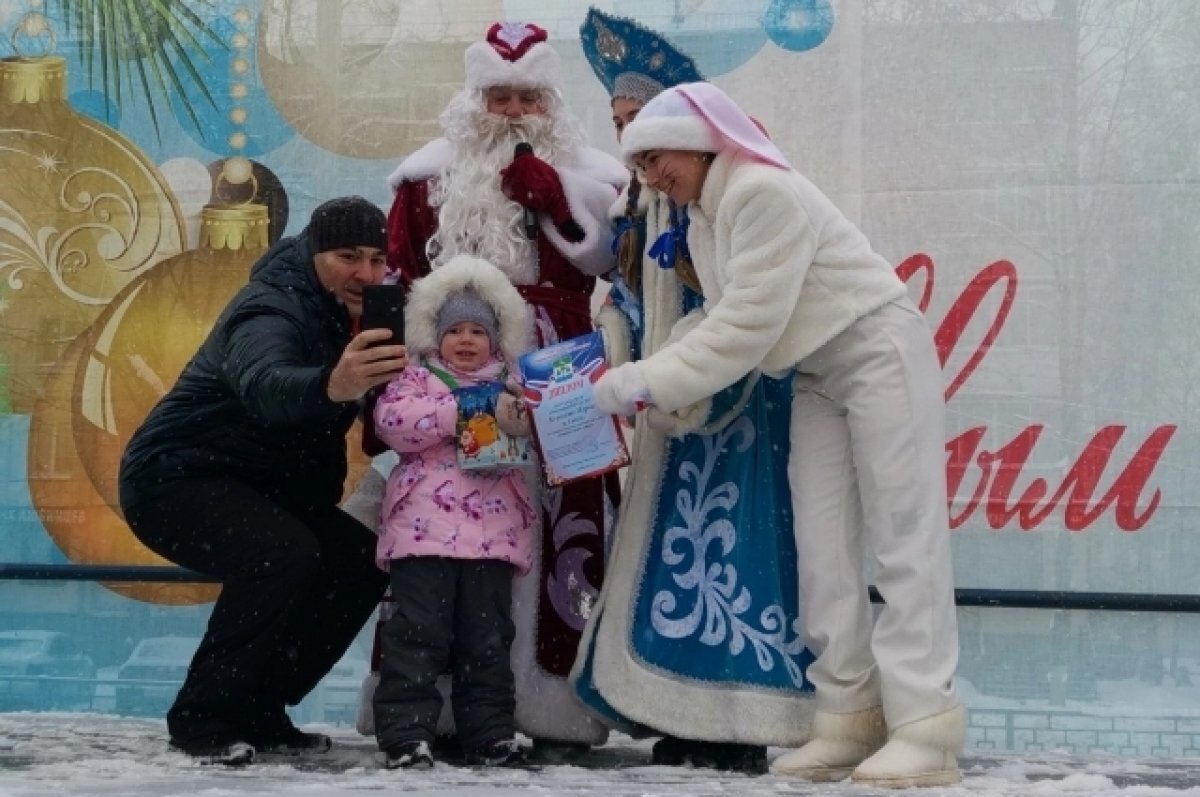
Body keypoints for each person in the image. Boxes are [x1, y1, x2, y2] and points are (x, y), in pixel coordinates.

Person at [593, 83, 966, 789]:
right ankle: (847, 714)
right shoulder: (704, 214)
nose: (649, 176)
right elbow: (725, 316)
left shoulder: (760, 191)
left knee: (903, 536)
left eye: (655, 156)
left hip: (877, 347)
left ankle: (925, 725)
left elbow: (744, 329)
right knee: (821, 548)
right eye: (637, 165)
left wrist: (639, 381)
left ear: (699, 139)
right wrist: (631, 375)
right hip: (817, 371)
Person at [376, 20, 628, 760]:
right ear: (471, 98)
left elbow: (620, 261)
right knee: (444, 544)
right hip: (454, 374)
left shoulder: (596, 180)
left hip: (560, 366)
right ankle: (440, 710)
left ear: (550, 101)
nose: (513, 111)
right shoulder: (424, 179)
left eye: (528, 96)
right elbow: (398, 277)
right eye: (498, 96)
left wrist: (558, 204)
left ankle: (551, 707)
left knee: (562, 529)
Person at [572, 8, 814, 774]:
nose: (628, 133)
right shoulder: (640, 198)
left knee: (735, 551)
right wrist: (617, 335)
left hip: (731, 398)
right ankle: (677, 711)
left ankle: (738, 719)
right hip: (661, 400)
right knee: (672, 559)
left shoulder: (728, 191)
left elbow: (736, 303)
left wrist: (667, 371)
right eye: (617, 119)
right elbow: (623, 287)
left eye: (639, 115)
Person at [118, 197, 400, 766]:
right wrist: (331, 386)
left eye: (375, 259)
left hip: (259, 488)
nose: (365, 274)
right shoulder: (271, 307)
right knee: (280, 554)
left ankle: (260, 707)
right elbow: (265, 382)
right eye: (348, 256)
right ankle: (204, 719)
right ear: (314, 252)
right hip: (174, 477)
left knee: (359, 560)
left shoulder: (357, 312)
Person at [372, 254, 536, 770]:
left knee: (487, 641)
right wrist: (459, 410)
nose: (466, 341)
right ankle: (406, 733)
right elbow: (392, 423)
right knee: (416, 635)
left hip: (493, 536)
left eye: (477, 331)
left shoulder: (515, 387)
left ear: (496, 338)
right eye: (455, 330)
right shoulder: (415, 379)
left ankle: (489, 733)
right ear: (435, 336)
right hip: (423, 536)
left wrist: (523, 417)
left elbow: (549, 433)